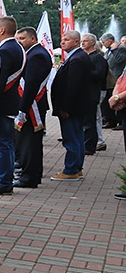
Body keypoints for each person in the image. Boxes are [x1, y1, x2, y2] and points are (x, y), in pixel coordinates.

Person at [0, 16, 25, 195]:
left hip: (2, 104)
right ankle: (6, 180)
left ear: (2, 30)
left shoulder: (6, 50)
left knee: (1, 144)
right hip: (10, 102)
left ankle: (3, 182)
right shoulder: (16, 47)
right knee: (7, 144)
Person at [13, 27, 53, 189]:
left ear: (33, 39)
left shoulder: (37, 56)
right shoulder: (34, 54)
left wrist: (22, 109)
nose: (19, 42)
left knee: (29, 143)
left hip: (32, 105)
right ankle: (31, 174)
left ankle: (29, 177)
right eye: (17, 39)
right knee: (29, 143)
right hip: (31, 104)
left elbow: (31, 85)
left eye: (22, 39)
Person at [50, 31, 90, 180]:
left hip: (72, 108)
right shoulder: (76, 57)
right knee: (77, 137)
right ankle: (77, 167)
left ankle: (71, 170)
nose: (62, 42)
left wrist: (65, 107)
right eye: (62, 39)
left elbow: (72, 86)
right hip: (76, 107)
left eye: (66, 40)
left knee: (72, 138)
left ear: (76, 42)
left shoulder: (77, 58)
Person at [81, 34, 108, 155]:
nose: (83, 43)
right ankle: (85, 142)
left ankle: (90, 145)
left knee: (91, 121)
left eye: (85, 41)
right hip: (83, 93)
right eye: (82, 41)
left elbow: (100, 75)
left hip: (92, 93)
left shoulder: (98, 58)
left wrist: (85, 70)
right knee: (84, 120)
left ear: (93, 43)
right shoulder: (84, 56)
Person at [101, 33, 126, 130]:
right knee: (108, 101)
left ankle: (120, 121)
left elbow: (120, 60)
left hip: (119, 79)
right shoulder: (108, 51)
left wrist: (115, 50)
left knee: (118, 101)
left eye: (104, 42)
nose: (103, 44)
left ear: (110, 41)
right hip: (111, 80)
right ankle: (111, 121)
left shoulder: (121, 49)